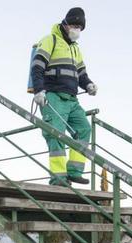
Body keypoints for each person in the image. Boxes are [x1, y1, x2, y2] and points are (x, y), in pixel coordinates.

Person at [29, 7, 97, 186]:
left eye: (80, 28)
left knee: (83, 129)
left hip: (72, 99)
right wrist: (38, 91)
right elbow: (37, 67)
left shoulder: (75, 49)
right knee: (55, 134)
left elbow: (81, 73)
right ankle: (58, 178)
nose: (77, 30)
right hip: (52, 96)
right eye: (74, 25)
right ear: (65, 24)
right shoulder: (50, 40)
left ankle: (74, 171)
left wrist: (88, 84)